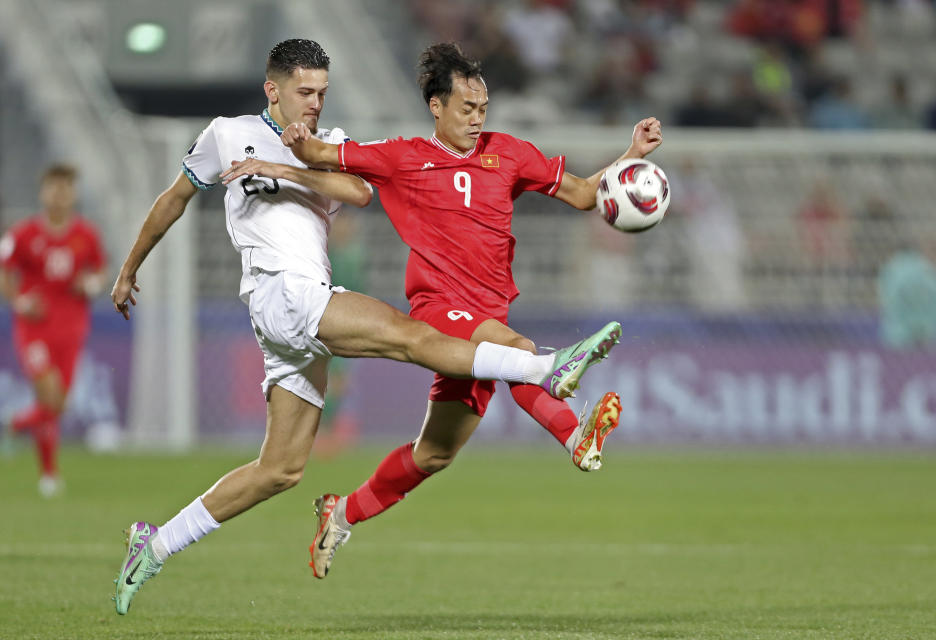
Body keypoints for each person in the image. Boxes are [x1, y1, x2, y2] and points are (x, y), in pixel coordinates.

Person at [110, 39, 621, 615]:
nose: (315, 103)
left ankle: (155, 544)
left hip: (297, 313)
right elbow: (175, 197)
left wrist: (285, 163)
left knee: (281, 470)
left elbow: (357, 190)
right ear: (271, 89)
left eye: (323, 92)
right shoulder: (224, 135)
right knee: (414, 338)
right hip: (284, 292)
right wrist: (128, 270)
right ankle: (548, 369)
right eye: (305, 92)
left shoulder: (328, 144)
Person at [222, 42, 663, 579]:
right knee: (519, 350)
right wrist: (297, 141)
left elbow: (584, 194)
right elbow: (323, 158)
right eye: (466, 109)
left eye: (483, 109)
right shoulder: (404, 156)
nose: (477, 120)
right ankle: (576, 437)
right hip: (437, 310)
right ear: (437, 106)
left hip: (488, 309)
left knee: (434, 455)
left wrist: (630, 157)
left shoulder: (512, 154)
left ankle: (342, 513)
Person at [0, 164, 106, 497]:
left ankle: (16, 426)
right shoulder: (22, 234)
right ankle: (49, 472)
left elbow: (100, 273)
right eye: (53, 187)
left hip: (72, 329)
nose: (59, 194)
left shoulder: (86, 235)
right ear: (42, 192)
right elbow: (4, 272)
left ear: (74, 193)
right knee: (49, 393)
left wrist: (90, 284)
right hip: (35, 330)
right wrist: (18, 301)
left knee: (57, 405)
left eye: (65, 188)